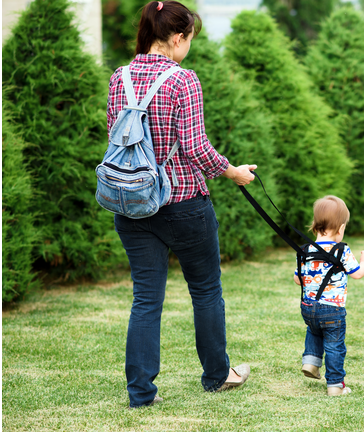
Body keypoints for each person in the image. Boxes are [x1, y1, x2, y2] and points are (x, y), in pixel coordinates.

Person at [106, 1, 256, 409]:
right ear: (176, 38)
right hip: (184, 202)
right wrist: (234, 172)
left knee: (146, 299)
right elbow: (194, 147)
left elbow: (116, 138)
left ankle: (140, 394)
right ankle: (217, 375)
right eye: (189, 38)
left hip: (132, 203)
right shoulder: (183, 80)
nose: (188, 46)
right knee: (206, 291)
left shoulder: (120, 78)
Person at [292, 196, 364, 396]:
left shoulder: (305, 250)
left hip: (308, 308)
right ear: (341, 228)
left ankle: (311, 362)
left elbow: (297, 279)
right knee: (335, 345)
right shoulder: (341, 250)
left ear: (314, 225)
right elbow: (357, 273)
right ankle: (336, 385)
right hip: (333, 310)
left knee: (314, 330)